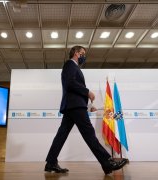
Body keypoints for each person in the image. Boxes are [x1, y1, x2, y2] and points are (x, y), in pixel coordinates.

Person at [44, 45, 128, 175]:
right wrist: (87, 91)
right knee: (89, 134)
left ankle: (51, 162)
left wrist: (88, 105)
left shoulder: (73, 67)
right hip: (75, 106)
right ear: (76, 53)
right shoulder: (70, 65)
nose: (84, 56)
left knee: (61, 135)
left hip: (72, 106)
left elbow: (73, 87)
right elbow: (70, 83)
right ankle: (107, 162)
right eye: (83, 53)